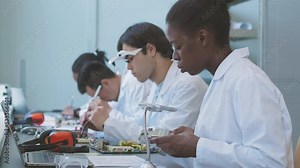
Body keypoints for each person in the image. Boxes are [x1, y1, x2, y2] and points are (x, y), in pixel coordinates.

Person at [150, 0, 294, 167]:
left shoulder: (248, 81)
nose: (174, 56)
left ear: (202, 38)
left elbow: (271, 162)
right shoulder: (222, 79)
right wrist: (195, 139)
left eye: (178, 46)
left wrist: (198, 146)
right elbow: (229, 144)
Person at [87, 22, 207, 150]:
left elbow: (163, 141)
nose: (128, 67)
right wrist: (105, 122)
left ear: (150, 49)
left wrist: (108, 123)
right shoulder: (156, 85)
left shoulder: (188, 86)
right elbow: (141, 124)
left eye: (130, 59)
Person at [78, 59, 152, 141]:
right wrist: (100, 125)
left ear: (105, 83)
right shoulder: (118, 93)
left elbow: (140, 129)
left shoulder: (136, 84)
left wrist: (107, 113)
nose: (101, 99)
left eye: (99, 95)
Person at [62, 50, 108, 117]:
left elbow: (99, 111)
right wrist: (77, 110)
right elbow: (90, 105)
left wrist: (76, 112)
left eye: (81, 83)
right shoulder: (96, 90)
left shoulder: (109, 93)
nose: (81, 88)